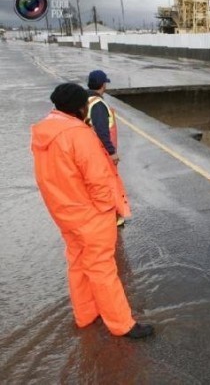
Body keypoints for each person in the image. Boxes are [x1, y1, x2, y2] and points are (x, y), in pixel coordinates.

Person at [31, 83, 153, 339]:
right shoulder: (79, 135)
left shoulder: (43, 133)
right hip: (90, 214)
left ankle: (85, 314)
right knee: (102, 268)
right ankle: (122, 324)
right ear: (79, 107)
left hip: (65, 212)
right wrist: (107, 209)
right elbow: (98, 179)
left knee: (77, 263)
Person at [86, 70, 126, 226]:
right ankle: (113, 217)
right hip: (100, 152)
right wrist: (112, 152)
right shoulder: (98, 104)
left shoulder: (86, 100)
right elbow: (102, 131)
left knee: (95, 184)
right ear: (103, 85)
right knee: (108, 185)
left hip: (89, 150)